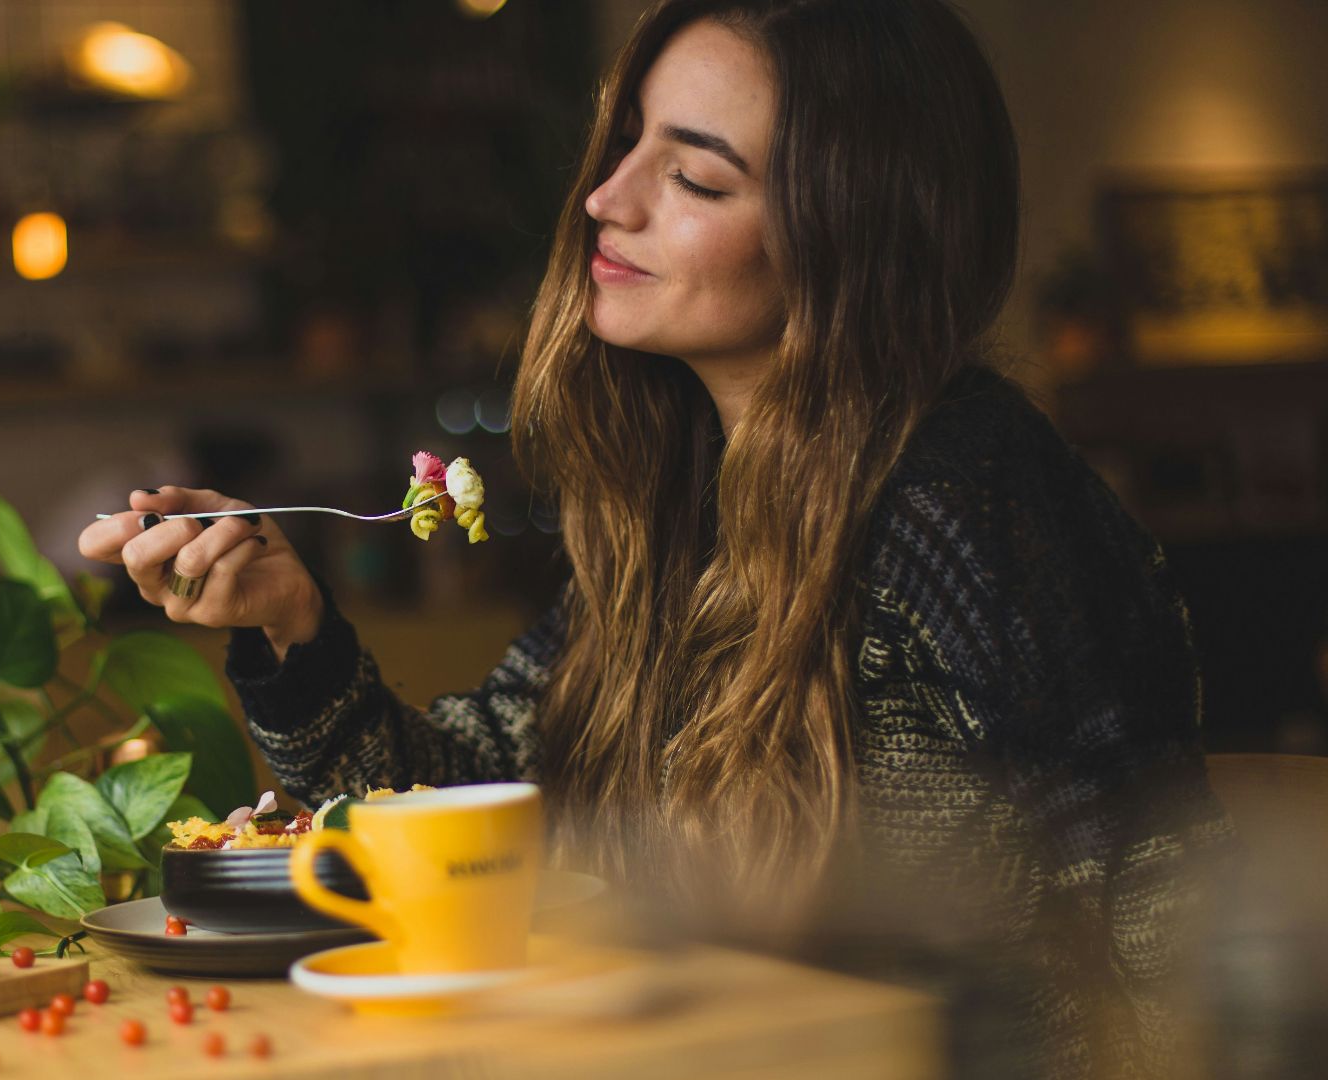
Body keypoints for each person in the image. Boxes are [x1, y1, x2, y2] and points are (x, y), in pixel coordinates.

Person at [79, 1, 1230, 1075]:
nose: (605, 199)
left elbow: (1150, 907)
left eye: (691, 176)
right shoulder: (686, 507)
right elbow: (473, 818)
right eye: (624, 143)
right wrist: (295, 627)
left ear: (852, 234)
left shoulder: (964, 494)